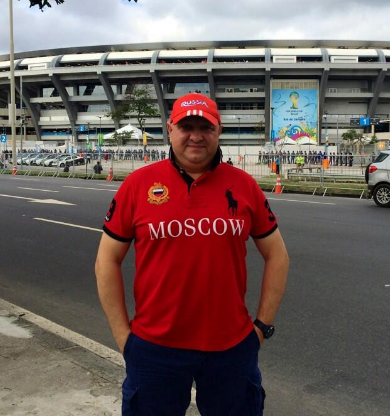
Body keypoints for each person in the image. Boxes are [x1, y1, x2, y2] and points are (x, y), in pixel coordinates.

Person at [95, 93, 290, 416]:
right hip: (155, 350)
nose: (196, 136)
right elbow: (106, 261)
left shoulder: (243, 186)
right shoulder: (137, 185)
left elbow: (278, 256)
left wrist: (261, 328)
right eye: (187, 126)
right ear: (170, 129)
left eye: (205, 127)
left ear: (219, 130)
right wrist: (123, 337)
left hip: (232, 349)